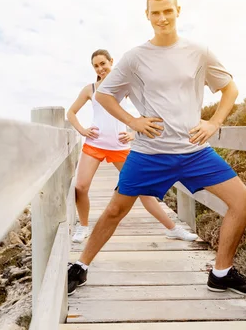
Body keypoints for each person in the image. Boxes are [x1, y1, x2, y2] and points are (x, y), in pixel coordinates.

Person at [67, 0, 246, 296]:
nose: (162, 18)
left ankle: (221, 272)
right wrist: (132, 121)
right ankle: (81, 267)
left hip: (195, 152)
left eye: (167, 11)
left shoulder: (199, 51)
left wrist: (214, 122)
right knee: (116, 210)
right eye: (155, 13)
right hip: (149, 153)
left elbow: (230, 89)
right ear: (147, 15)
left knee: (243, 202)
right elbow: (103, 94)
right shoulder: (134, 58)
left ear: (178, 11)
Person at [66, 48, 198, 244]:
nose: (100, 68)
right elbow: (71, 113)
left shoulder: (125, 86)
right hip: (95, 144)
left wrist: (133, 133)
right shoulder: (90, 89)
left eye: (103, 63)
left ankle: (173, 229)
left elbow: (149, 111)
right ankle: (83, 227)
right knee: (81, 186)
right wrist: (82, 130)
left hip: (120, 147)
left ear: (112, 61)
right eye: (96, 66)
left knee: (143, 190)